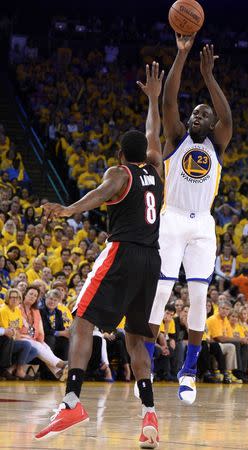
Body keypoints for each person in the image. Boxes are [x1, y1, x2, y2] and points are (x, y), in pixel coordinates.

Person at [35, 61, 164, 449]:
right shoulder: (157, 172)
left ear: (120, 153)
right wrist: (154, 101)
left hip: (123, 253)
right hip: (152, 260)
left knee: (82, 319)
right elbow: (153, 134)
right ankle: (149, 415)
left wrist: (69, 209)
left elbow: (98, 195)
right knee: (137, 339)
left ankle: (72, 401)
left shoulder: (119, 172)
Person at [148, 35, 232, 404]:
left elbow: (227, 116)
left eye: (203, 114)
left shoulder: (218, 142)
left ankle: (190, 370)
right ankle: (146, 363)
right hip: (173, 219)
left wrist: (209, 77)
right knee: (162, 290)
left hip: (202, 225)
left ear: (211, 124)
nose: (197, 115)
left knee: (199, 296)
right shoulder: (177, 137)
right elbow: (168, 100)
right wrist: (182, 56)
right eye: (194, 112)